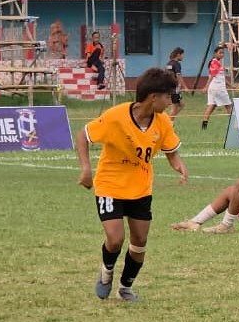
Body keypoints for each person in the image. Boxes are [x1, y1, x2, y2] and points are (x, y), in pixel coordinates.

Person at [76, 67, 187, 302]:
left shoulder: (163, 122)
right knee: (115, 239)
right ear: (153, 97)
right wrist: (86, 169)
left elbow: (171, 151)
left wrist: (178, 165)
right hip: (110, 185)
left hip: (140, 189)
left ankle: (125, 288)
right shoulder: (116, 117)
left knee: (140, 241)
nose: (170, 101)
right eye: (167, 96)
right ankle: (106, 272)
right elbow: (83, 135)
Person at [201, 45, 233, 130]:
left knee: (211, 107)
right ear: (215, 53)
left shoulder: (217, 63)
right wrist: (206, 87)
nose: (222, 54)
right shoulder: (215, 62)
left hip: (213, 88)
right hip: (218, 88)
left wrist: (231, 86)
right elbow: (212, 75)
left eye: (223, 53)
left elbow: (221, 78)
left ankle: (204, 126)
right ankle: (234, 126)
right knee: (229, 106)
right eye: (220, 53)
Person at [166, 47, 190, 118]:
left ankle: (170, 120)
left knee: (181, 104)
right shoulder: (176, 64)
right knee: (174, 107)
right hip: (174, 89)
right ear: (178, 55)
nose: (183, 57)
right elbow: (179, 76)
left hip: (169, 87)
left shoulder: (169, 63)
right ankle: (169, 121)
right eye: (182, 55)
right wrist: (185, 87)